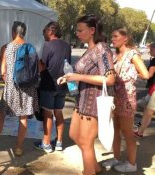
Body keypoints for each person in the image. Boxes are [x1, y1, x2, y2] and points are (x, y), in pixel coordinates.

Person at [57, 14, 115, 174]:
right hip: (82, 101)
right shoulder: (89, 49)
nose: (77, 33)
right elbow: (81, 72)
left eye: (80, 30)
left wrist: (78, 77)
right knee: (75, 135)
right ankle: (95, 167)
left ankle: (88, 171)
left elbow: (110, 79)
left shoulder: (102, 49)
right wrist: (69, 77)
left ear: (92, 30)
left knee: (85, 142)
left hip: (94, 104)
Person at [0, 21, 39, 156]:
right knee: (23, 118)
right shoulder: (30, 47)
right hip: (27, 87)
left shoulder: (6, 48)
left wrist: (9, 81)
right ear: (24, 32)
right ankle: (19, 147)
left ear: (13, 32)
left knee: (1, 115)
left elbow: (3, 71)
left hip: (12, 87)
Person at [102, 27, 149, 173]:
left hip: (127, 98)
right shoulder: (116, 55)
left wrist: (131, 77)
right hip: (115, 97)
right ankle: (116, 157)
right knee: (115, 130)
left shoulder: (132, 54)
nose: (112, 39)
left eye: (115, 36)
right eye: (112, 36)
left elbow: (146, 74)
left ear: (125, 38)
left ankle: (132, 163)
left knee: (127, 132)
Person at [33, 21, 71, 153]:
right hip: (62, 84)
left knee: (47, 114)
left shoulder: (48, 45)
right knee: (59, 113)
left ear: (50, 31)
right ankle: (59, 142)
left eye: (44, 32)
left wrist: (36, 63)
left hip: (49, 84)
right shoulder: (67, 45)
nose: (43, 35)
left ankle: (47, 143)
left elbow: (43, 65)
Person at [134, 43, 155, 138]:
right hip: (152, 89)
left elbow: (149, 75)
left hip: (154, 89)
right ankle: (138, 128)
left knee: (148, 111)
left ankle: (139, 132)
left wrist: (136, 74)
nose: (149, 51)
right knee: (147, 110)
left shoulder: (154, 61)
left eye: (151, 49)